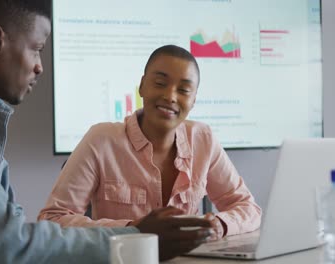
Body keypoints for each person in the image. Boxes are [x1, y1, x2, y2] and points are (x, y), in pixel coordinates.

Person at [0, 1, 214, 263]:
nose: (40, 67)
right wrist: (136, 239)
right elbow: (0, 243)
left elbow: (10, 234)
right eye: (37, 49)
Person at [38, 45, 262, 238]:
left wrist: (219, 224)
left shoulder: (203, 139)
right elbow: (52, 220)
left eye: (183, 90)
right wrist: (135, 230)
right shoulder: (101, 140)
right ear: (142, 86)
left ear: (193, 100)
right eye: (160, 83)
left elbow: (248, 208)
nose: (171, 96)